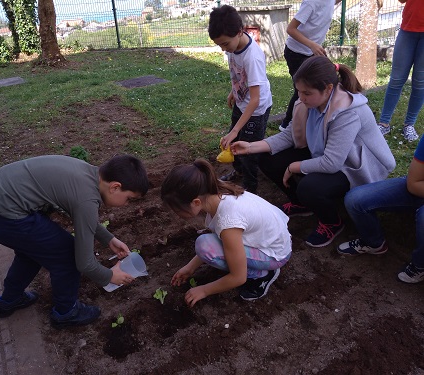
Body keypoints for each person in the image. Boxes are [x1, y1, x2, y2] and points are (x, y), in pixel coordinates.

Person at [231, 56, 396, 248]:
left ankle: (332, 222)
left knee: (310, 186)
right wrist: (250, 147)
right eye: (299, 91)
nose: (300, 98)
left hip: (356, 167)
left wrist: (294, 166)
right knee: (267, 158)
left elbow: (332, 163)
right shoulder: (309, 103)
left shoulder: (347, 112)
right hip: (327, 153)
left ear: (327, 88)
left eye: (306, 93)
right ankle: (302, 204)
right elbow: (291, 136)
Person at [0, 154, 149, 329]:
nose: (126, 204)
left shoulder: (86, 173)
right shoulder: (86, 198)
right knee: (67, 254)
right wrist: (110, 277)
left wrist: (108, 238)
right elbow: (84, 263)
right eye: (128, 199)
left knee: (33, 250)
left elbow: (79, 213)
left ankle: (9, 300)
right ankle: (66, 313)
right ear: (115, 187)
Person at [161, 159, 291, 306]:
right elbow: (219, 235)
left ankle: (262, 274)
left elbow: (238, 277)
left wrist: (204, 290)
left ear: (196, 202)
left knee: (205, 247)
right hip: (274, 238)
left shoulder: (228, 220)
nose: (176, 214)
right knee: (207, 244)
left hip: (275, 253)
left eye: (177, 209)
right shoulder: (215, 193)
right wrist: (190, 267)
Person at [338, 135, 424, 283]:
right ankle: (374, 243)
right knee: (356, 200)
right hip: (418, 186)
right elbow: (414, 183)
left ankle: (420, 266)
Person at [209, 5, 273, 194]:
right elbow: (240, 76)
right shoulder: (233, 46)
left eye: (225, 44)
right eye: (219, 45)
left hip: (256, 109)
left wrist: (236, 130)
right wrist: (233, 91)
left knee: (249, 151)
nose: (223, 49)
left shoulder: (252, 57)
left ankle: (250, 187)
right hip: (241, 102)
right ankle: (238, 172)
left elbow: (255, 99)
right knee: (233, 143)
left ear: (239, 32)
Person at [279, 0, 342, 131]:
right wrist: (311, 44)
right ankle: (287, 126)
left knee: (314, 87)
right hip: (296, 52)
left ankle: (310, 121)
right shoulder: (311, 2)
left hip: (311, 53)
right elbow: (290, 29)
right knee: (303, 90)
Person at [378, 0, 423, 142]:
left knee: (420, 82)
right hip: (408, 30)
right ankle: (384, 123)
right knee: (396, 79)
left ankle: (409, 124)